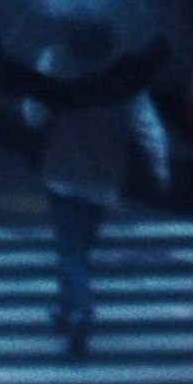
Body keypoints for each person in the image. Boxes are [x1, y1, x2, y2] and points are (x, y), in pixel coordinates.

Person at [31, 40, 169, 356]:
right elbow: (147, 126)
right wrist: (160, 169)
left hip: (61, 169)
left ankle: (80, 309)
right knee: (81, 247)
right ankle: (67, 308)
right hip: (105, 174)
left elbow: (33, 114)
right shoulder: (126, 73)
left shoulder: (55, 60)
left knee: (69, 248)